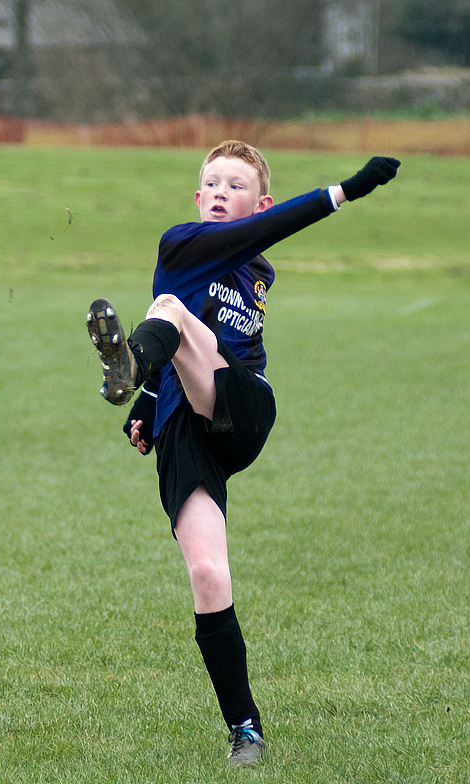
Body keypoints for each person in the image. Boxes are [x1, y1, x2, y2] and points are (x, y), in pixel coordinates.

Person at [85, 141, 400, 766]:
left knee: (171, 311)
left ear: (260, 204)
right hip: (189, 432)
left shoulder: (256, 268)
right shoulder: (180, 244)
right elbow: (178, 334)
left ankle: (128, 367)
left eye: (237, 184)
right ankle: (246, 730)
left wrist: (344, 190)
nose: (222, 191)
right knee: (206, 574)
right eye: (212, 183)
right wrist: (149, 406)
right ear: (198, 199)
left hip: (244, 405)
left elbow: (240, 267)